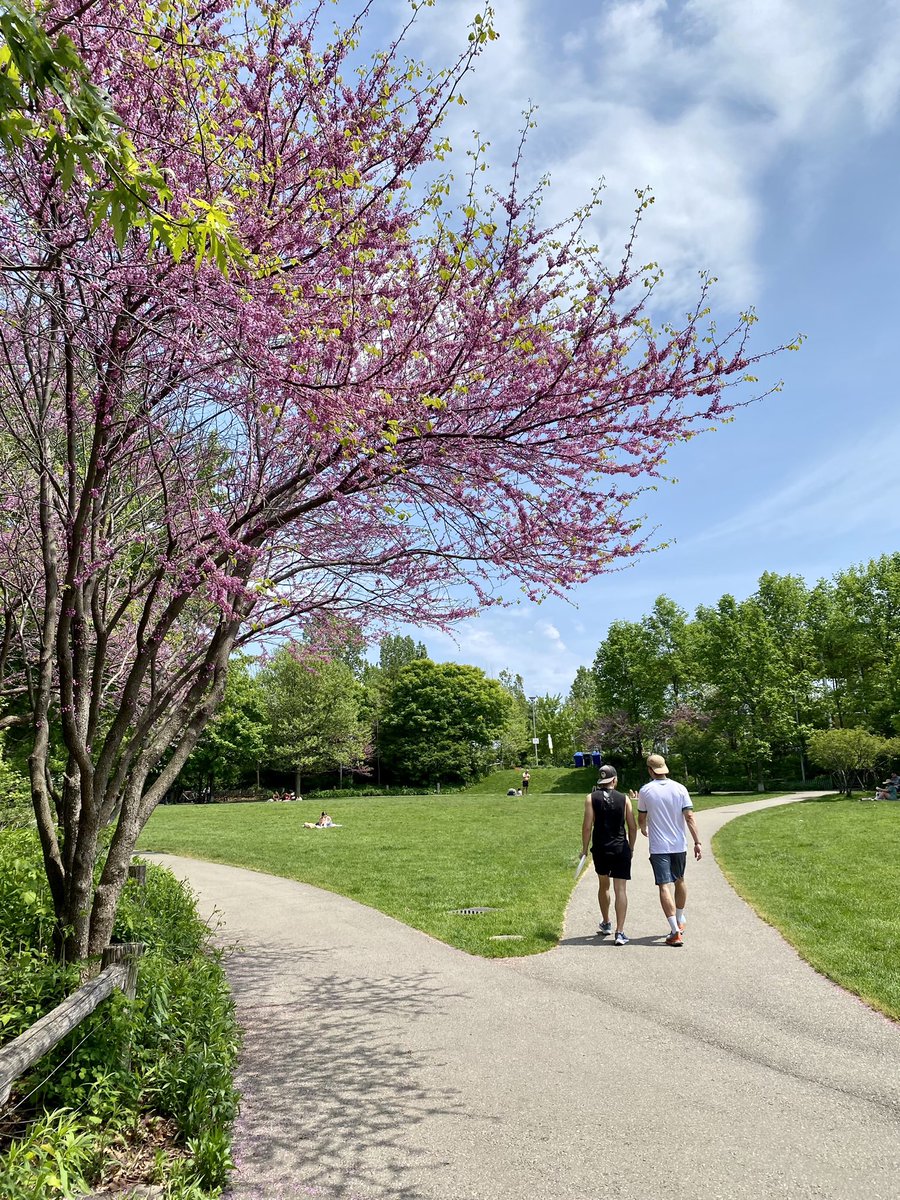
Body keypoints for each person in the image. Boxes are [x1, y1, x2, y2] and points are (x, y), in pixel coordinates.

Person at [631, 754, 702, 948]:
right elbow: (689, 816)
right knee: (680, 880)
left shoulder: (646, 790)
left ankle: (674, 931)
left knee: (664, 886)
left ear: (649, 770)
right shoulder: (680, 788)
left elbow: (642, 817)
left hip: (659, 847)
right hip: (679, 845)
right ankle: (680, 919)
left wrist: (643, 828)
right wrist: (697, 842)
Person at [581, 763, 637, 946]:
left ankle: (606, 923)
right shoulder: (625, 799)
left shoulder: (591, 798)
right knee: (620, 889)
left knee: (603, 885)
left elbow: (587, 826)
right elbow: (632, 826)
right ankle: (620, 932)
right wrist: (632, 847)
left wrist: (584, 848)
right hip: (621, 848)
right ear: (614, 780)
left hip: (601, 848)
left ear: (601, 780)